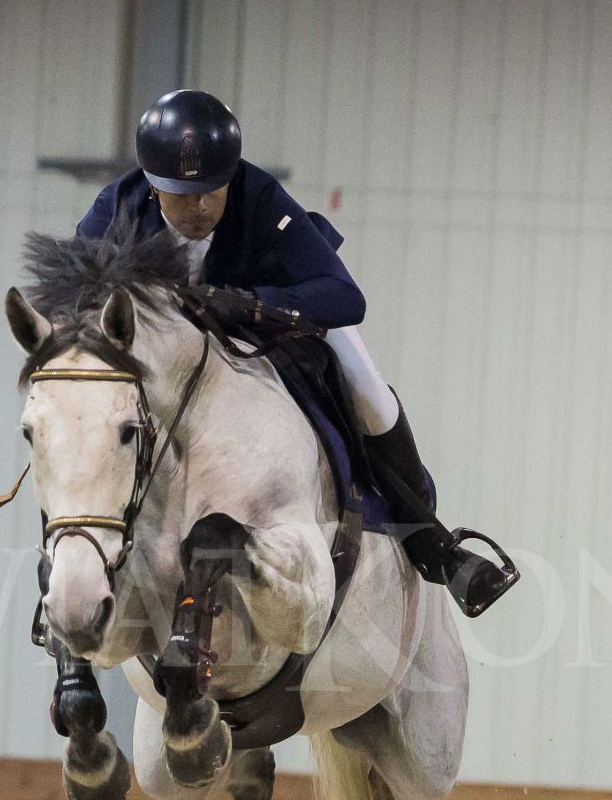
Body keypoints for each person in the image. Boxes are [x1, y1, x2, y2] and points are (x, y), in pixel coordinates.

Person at [77, 89, 516, 618]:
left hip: (267, 326)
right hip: (166, 350)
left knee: (366, 385)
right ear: (153, 185)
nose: (201, 207)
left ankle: (431, 543)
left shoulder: (260, 197)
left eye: (213, 191)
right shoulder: (115, 209)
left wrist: (249, 303)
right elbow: (79, 300)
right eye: (183, 195)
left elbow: (346, 297)